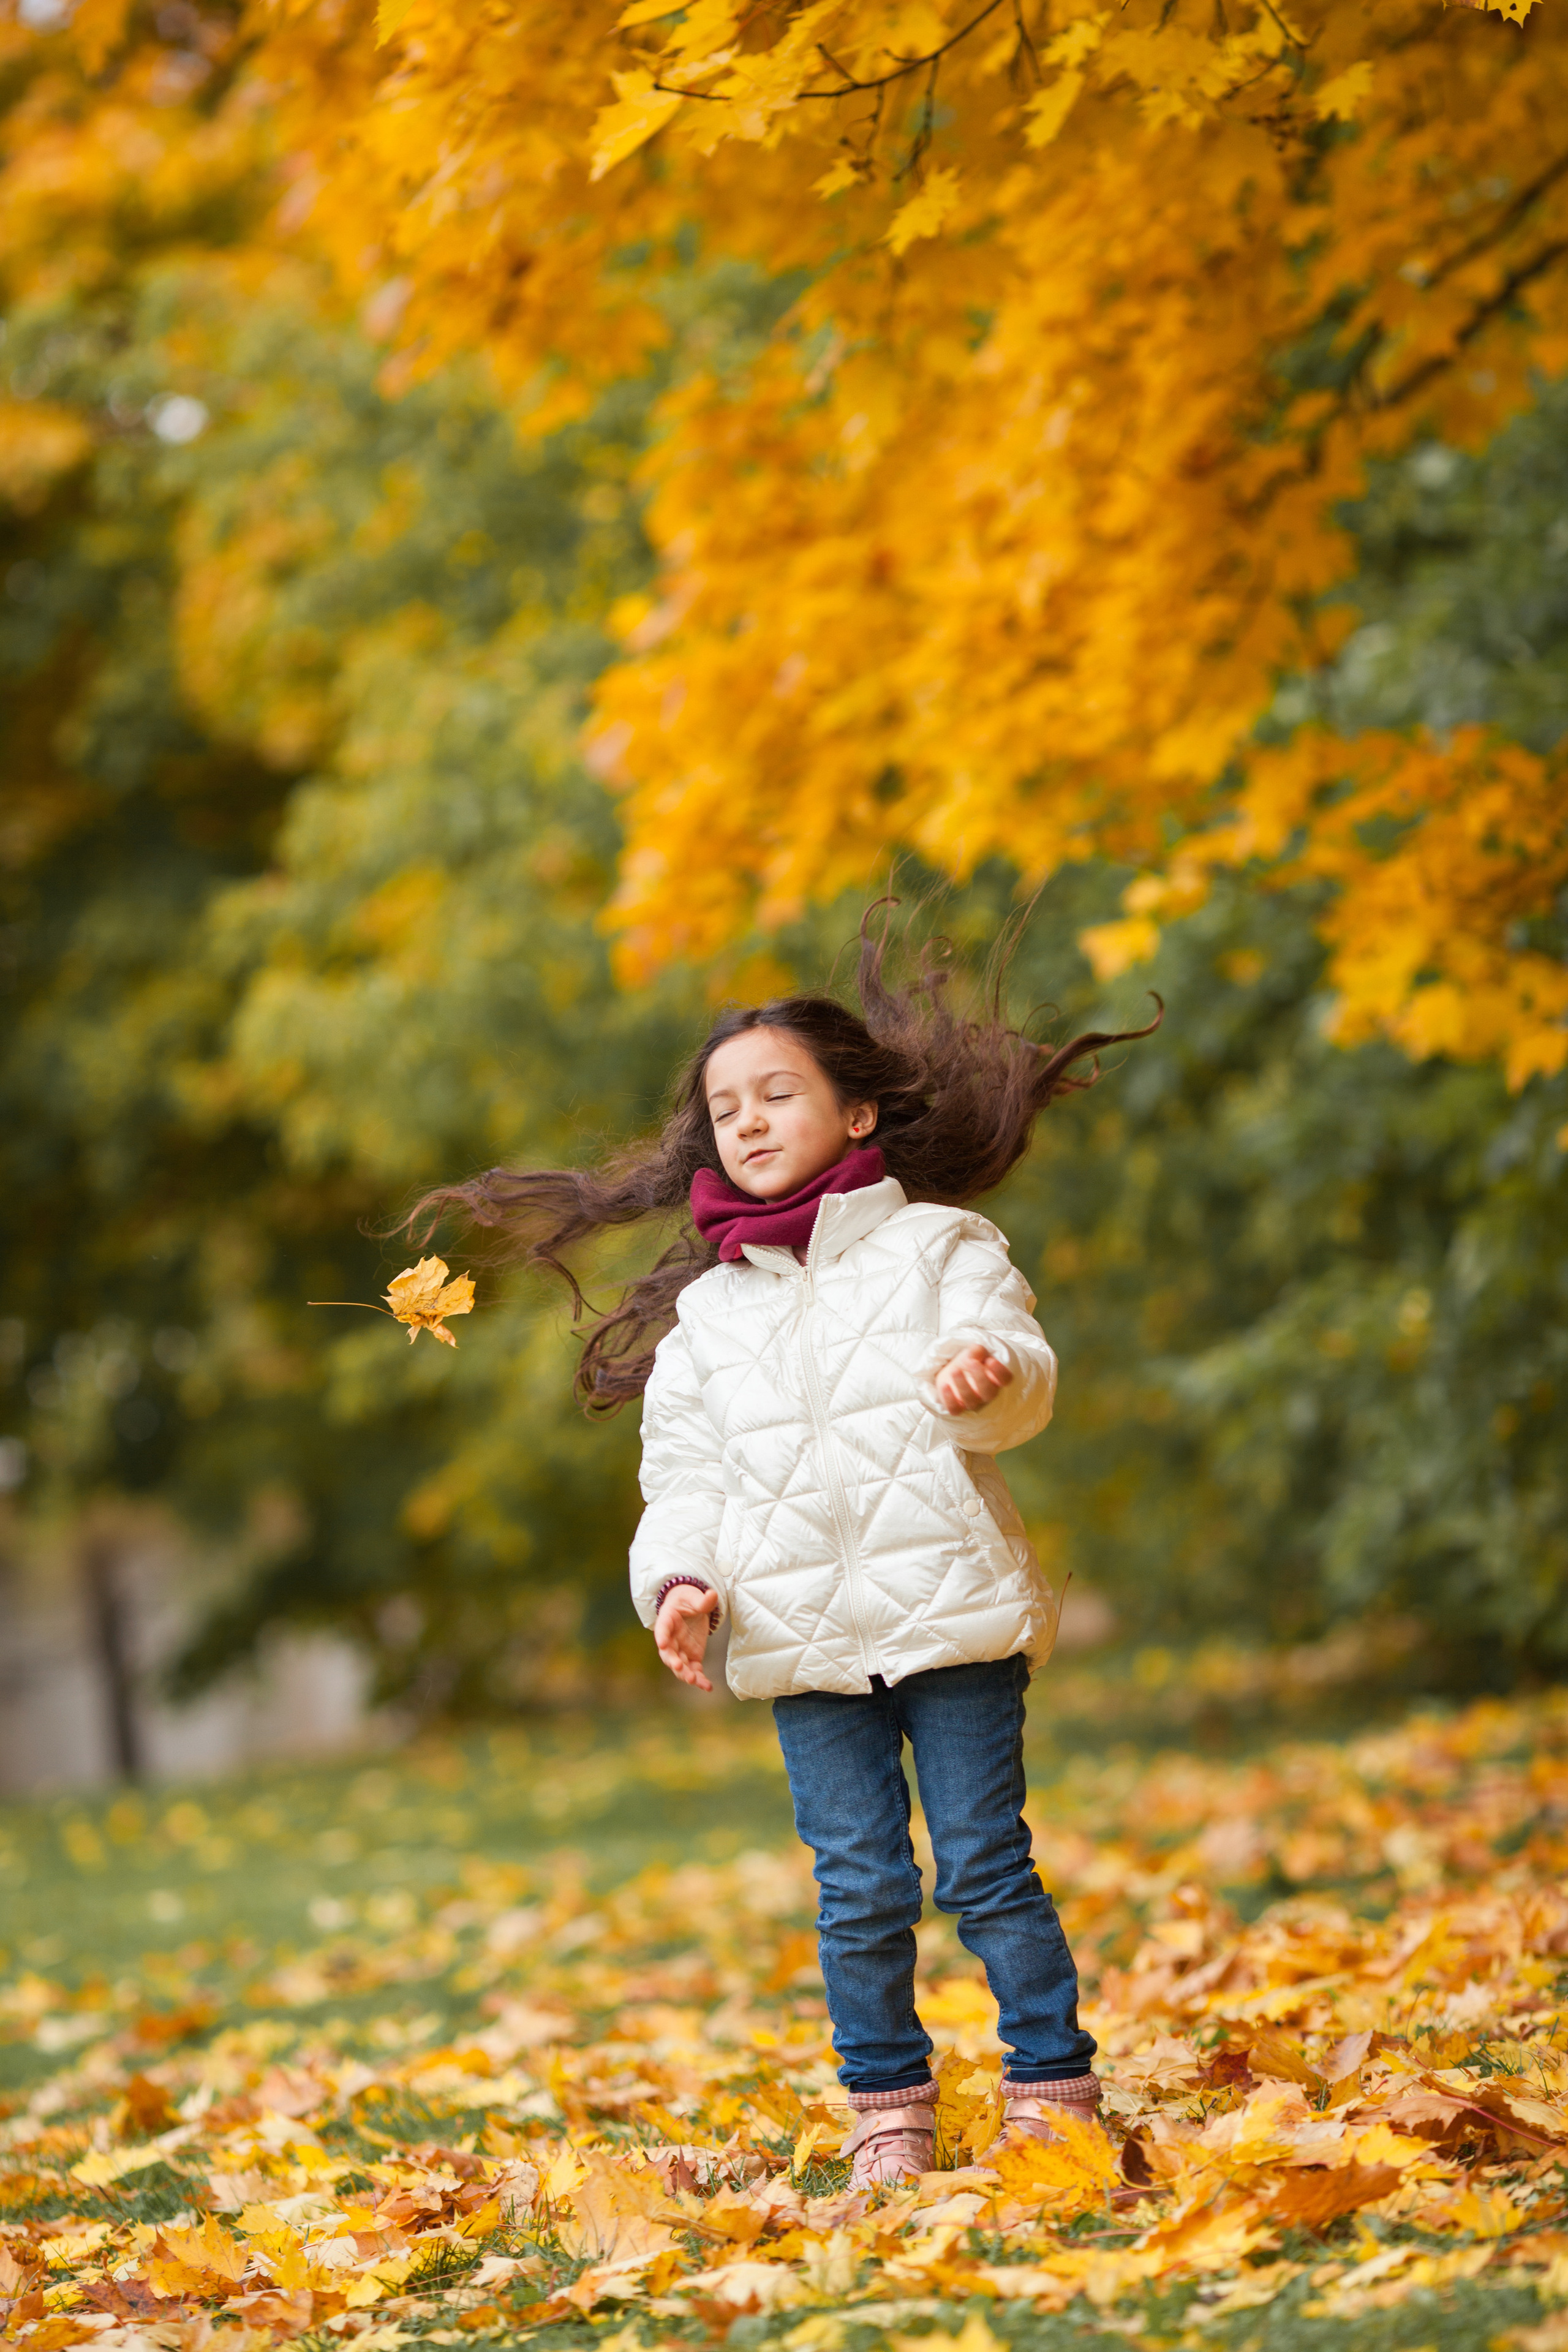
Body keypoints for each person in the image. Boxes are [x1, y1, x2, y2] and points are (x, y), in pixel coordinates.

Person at [412, 910, 1158, 2187]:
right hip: (799, 1647)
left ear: (856, 1115)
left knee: (983, 1866)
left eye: (777, 1094)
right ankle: (887, 2111)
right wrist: (682, 1584)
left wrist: (992, 1380)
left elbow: (1021, 1378)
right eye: (725, 1108)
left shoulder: (941, 1251)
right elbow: (684, 1478)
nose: (746, 1121)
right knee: (861, 1887)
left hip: (952, 1617)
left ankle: (1050, 2087)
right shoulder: (708, 1315)